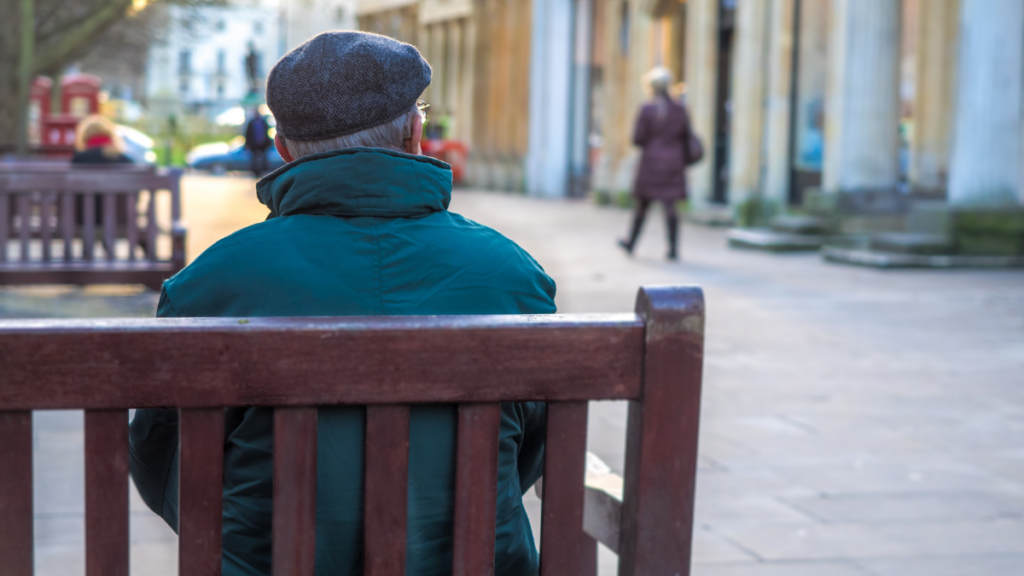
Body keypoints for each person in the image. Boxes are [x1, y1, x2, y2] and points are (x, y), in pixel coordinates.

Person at [128, 31, 556, 576]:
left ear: (281, 149)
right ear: (415, 134)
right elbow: (528, 450)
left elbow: (163, 461)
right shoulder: (512, 276)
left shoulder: (211, 284)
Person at [618, 67, 700, 261]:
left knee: (642, 206)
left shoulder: (647, 109)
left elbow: (638, 139)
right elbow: (686, 135)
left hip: (651, 163)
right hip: (673, 163)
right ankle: (673, 249)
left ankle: (631, 243)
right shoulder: (679, 109)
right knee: (671, 207)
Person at [243, 107, 271, 176]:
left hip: (263, 143)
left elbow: (266, 132)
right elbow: (248, 133)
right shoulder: (251, 122)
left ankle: (263, 171)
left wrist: (268, 143)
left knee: (264, 158)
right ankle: (255, 172)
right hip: (254, 144)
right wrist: (247, 144)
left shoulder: (263, 122)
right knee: (253, 159)